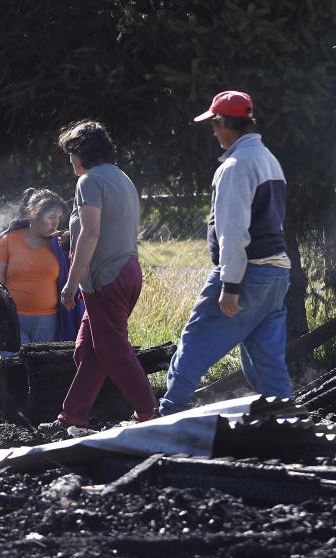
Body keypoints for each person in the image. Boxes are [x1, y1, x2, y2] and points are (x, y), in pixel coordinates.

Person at [159, 91, 291, 415]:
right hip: (276, 274)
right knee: (267, 358)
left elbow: (232, 231)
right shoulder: (268, 159)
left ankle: (168, 412)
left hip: (247, 273)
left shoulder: (234, 165)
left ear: (223, 123)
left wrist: (230, 286)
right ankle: (284, 416)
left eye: (214, 125)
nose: (214, 132)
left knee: (195, 341)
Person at [45, 120, 158, 434]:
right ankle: (72, 417)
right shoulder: (120, 177)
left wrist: (70, 282)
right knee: (90, 349)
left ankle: (148, 412)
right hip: (128, 271)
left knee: (111, 348)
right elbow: (103, 227)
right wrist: (74, 233)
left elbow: (92, 233)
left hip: (106, 276)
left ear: (82, 153)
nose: (70, 161)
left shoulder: (90, 181)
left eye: (71, 153)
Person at [0, 187, 84, 356]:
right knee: (15, 371)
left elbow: (78, 272)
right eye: (51, 217)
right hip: (13, 320)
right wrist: (3, 317)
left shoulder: (61, 244)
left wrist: (73, 246)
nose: (55, 223)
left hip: (49, 322)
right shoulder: (8, 239)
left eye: (59, 218)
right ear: (33, 212)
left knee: (41, 375)